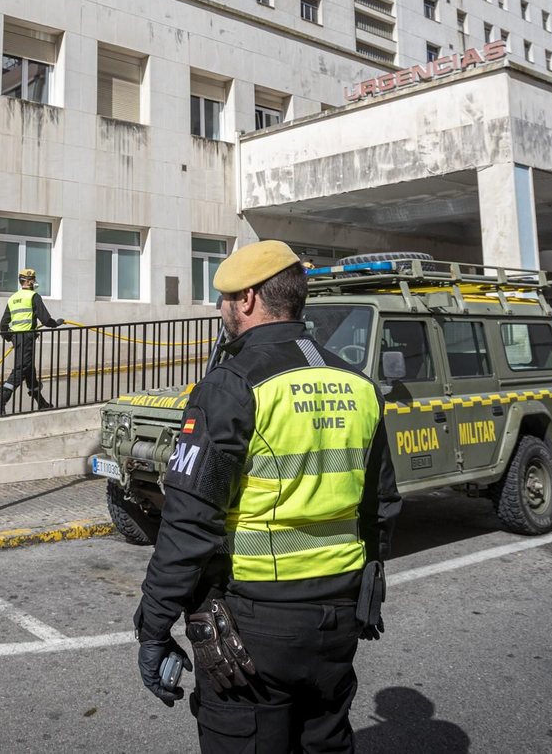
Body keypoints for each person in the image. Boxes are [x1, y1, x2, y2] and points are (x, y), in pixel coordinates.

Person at [133, 240, 401, 753]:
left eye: (225, 298)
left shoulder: (231, 384)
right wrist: (366, 591)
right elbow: (380, 507)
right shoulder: (357, 383)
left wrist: (153, 626)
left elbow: (190, 522)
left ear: (250, 298)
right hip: (337, 618)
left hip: (255, 627)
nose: (221, 310)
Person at [0, 268, 61, 417]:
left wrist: (10, 338)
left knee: (29, 371)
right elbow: (45, 319)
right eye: (33, 279)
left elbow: (3, 324)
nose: (35, 281)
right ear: (28, 281)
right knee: (20, 369)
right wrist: (56, 323)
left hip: (18, 338)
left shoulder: (13, 298)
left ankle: (41, 403)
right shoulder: (33, 296)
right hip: (27, 338)